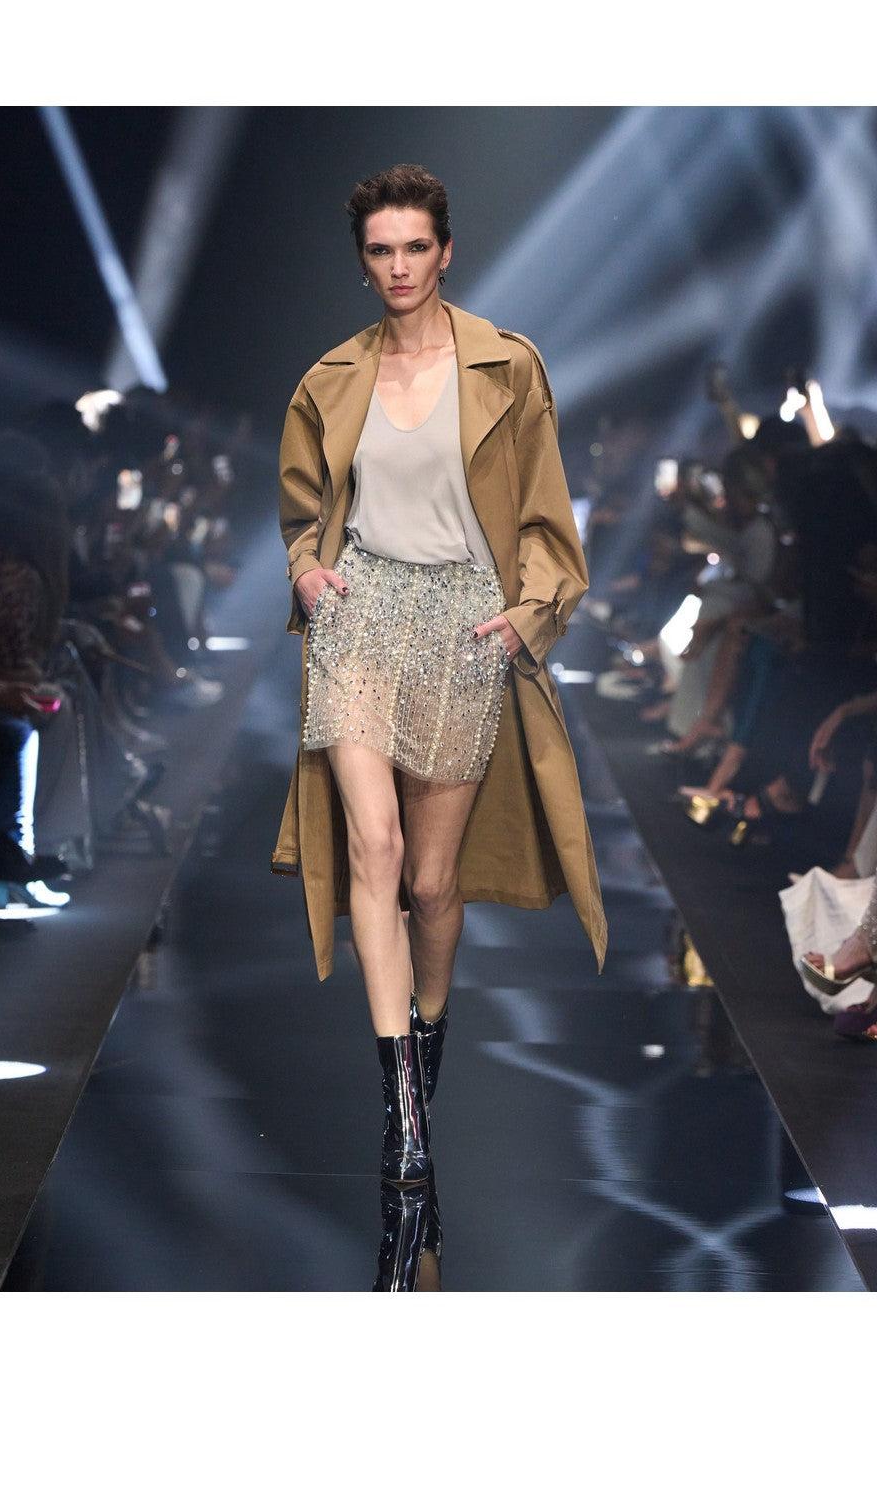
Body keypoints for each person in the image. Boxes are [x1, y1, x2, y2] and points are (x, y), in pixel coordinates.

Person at [272, 162, 608, 1190]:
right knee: (372, 848)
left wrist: (528, 616)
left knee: (430, 880)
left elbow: (547, 514)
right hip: (363, 614)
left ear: (446, 251)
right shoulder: (331, 379)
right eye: (382, 250)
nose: (400, 266)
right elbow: (300, 511)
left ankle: (427, 1055)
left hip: (464, 622)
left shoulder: (508, 366)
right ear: (363, 261)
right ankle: (404, 1110)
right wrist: (307, 569)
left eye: (416, 247)